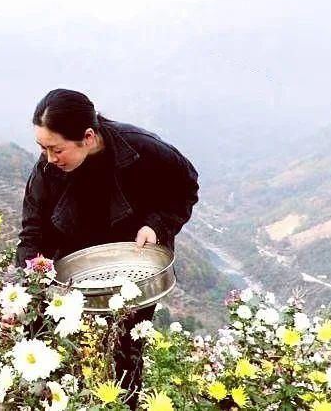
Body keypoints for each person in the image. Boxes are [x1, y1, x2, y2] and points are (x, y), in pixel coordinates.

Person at [17, 88, 198, 408]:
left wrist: (157, 224)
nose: (49, 158)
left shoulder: (142, 149)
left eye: (56, 149)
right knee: (47, 351)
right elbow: (32, 232)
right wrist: (28, 285)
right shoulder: (47, 171)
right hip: (74, 269)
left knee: (124, 355)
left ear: (87, 137)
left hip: (133, 265)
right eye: (42, 148)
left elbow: (185, 186)